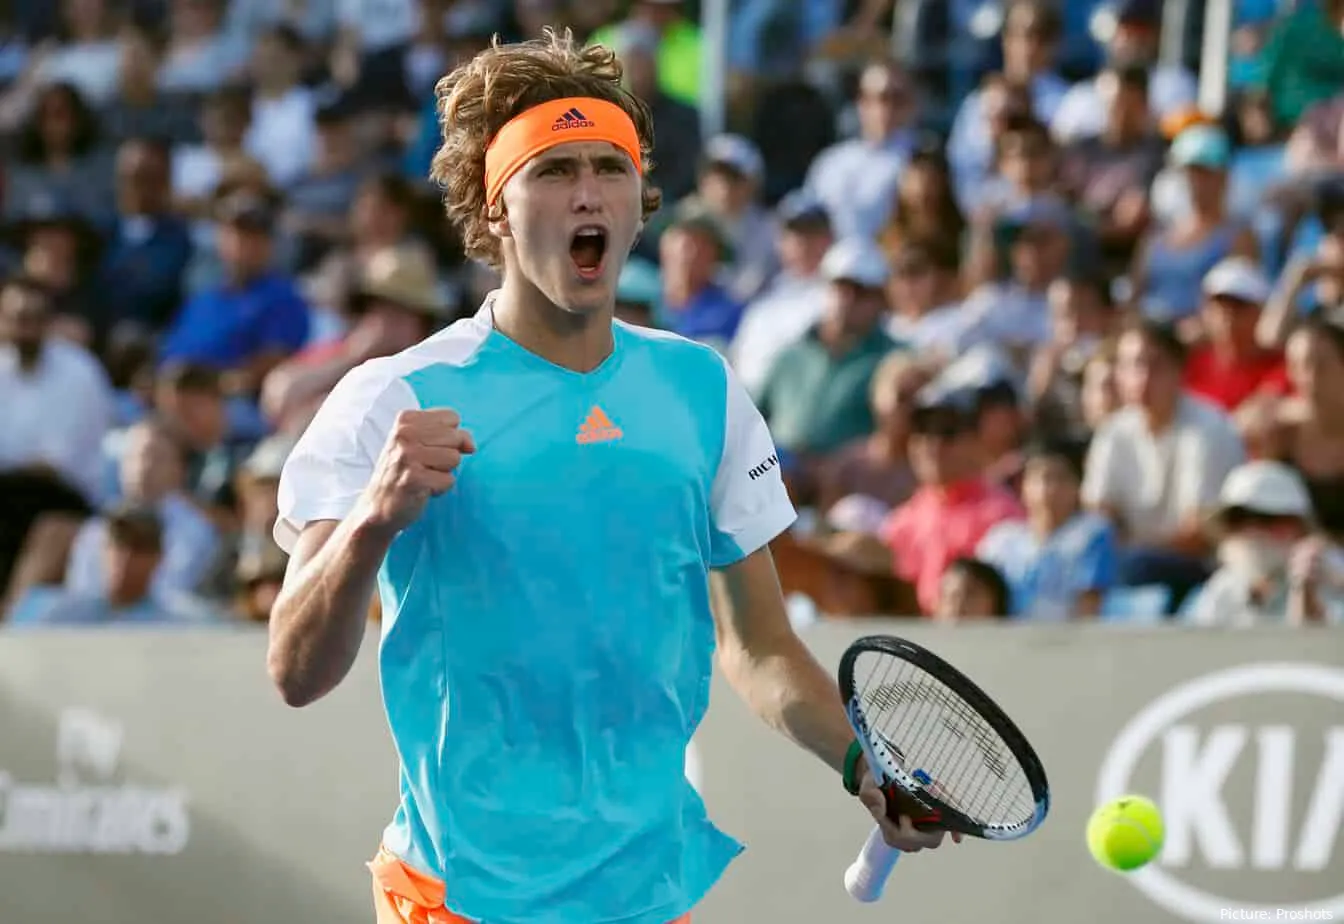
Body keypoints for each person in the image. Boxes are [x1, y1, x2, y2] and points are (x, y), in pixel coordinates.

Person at [267, 30, 953, 924]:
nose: (587, 191)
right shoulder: (389, 398)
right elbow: (293, 669)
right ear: (497, 209)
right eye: (552, 170)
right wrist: (371, 521)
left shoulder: (701, 389)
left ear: (639, 205)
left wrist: (865, 766)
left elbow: (758, 648)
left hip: (647, 895)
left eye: (609, 168)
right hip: (455, 898)